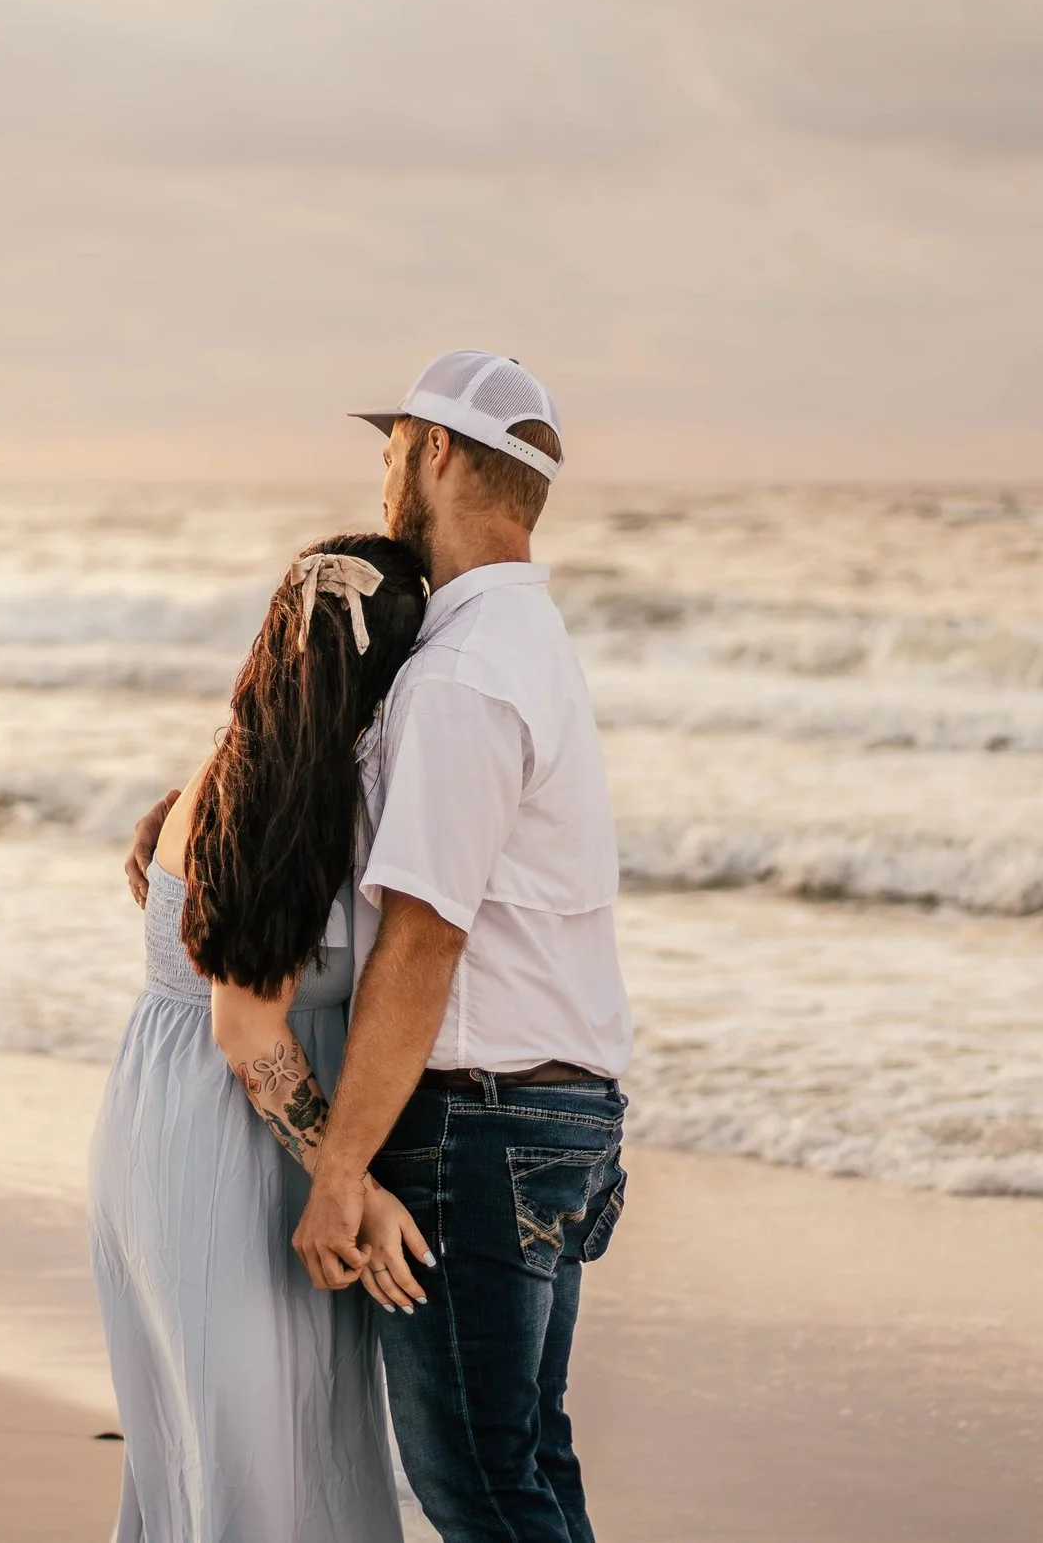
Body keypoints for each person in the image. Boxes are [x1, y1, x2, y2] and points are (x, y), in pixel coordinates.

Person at [123, 351, 633, 1543]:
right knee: (527, 1464)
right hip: (562, 1107)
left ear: (437, 452)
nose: (385, 466)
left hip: (479, 1125)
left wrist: (340, 1171)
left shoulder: (456, 675)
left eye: (392, 443)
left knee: (482, 1488)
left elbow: (423, 938)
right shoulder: (529, 644)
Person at [89, 532, 434, 1543]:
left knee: (249, 1465)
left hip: (197, 1120)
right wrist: (353, 1182)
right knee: (242, 1473)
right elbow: (245, 1030)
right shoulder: (276, 793)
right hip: (217, 1149)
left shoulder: (266, 767)